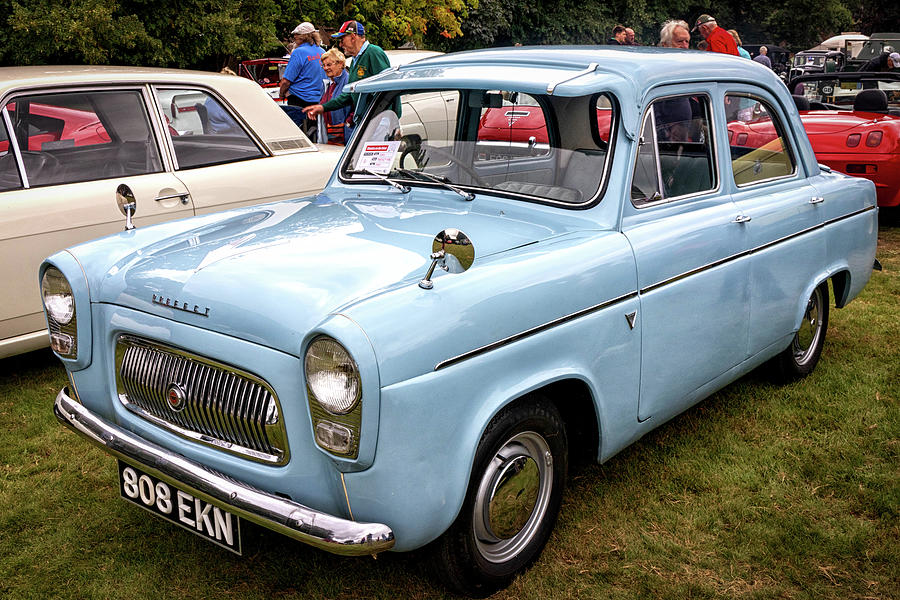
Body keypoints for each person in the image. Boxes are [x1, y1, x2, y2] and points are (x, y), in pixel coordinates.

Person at [303, 20, 391, 140]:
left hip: (378, 121)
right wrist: (323, 108)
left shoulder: (373, 52)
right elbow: (349, 95)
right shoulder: (355, 60)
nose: (340, 45)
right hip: (367, 122)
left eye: (342, 40)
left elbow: (388, 88)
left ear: (353, 37)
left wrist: (385, 120)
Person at [279, 22, 326, 135]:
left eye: (297, 34)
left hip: (299, 101)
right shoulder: (323, 52)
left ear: (306, 36)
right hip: (319, 100)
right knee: (315, 133)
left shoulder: (298, 53)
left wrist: (281, 93)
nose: (294, 37)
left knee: (298, 133)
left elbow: (286, 81)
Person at [317, 48, 351, 144]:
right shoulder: (327, 83)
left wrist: (348, 122)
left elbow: (356, 104)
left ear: (340, 64)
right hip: (330, 132)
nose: (325, 68)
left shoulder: (348, 80)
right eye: (323, 65)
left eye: (329, 65)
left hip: (345, 133)